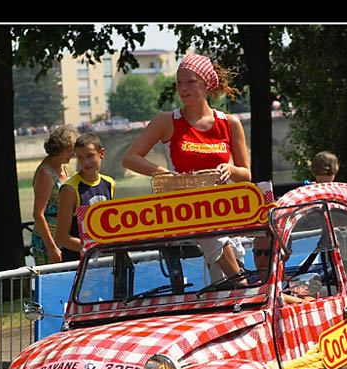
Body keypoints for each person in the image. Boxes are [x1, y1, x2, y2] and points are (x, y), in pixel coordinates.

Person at [122, 53, 251, 279]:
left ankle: (241, 287)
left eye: (191, 82)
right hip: (183, 209)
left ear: (206, 84)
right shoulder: (167, 121)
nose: (183, 88)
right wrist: (163, 173)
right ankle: (240, 280)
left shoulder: (230, 123)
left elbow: (246, 175)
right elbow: (130, 158)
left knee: (218, 235)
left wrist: (229, 169)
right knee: (208, 227)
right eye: (179, 83)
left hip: (222, 209)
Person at [56, 133, 115, 262]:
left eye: (90, 156)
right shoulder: (70, 189)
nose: (85, 162)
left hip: (104, 261)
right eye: (80, 158)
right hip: (77, 263)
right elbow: (61, 237)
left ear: (102, 153)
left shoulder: (109, 183)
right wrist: (93, 248)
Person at [31, 126, 78, 265]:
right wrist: (52, 248)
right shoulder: (45, 174)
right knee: (51, 282)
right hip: (49, 238)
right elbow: (38, 214)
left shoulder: (63, 166)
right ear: (59, 150)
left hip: (63, 234)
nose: (73, 155)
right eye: (70, 151)